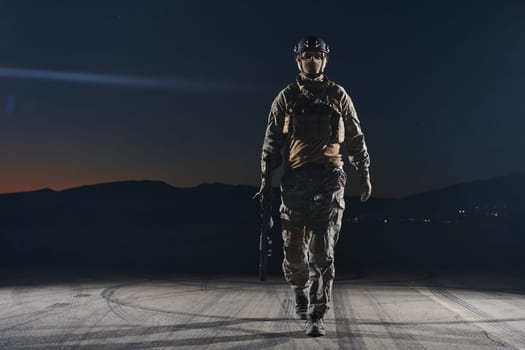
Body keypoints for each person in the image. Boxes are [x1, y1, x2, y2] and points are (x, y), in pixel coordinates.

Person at [253, 35, 372, 337]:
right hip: (294, 179)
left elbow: (355, 136)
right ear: (298, 60)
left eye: (317, 55)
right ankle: (299, 292)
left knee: (322, 249)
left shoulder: (338, 95)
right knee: (293, 248)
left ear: (325, 60)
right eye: (306, 55)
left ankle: (318, 313)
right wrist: (266, 178)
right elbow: (271, 141)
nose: (312, 60)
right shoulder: (287, 97)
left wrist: (365, 172)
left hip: (329, 178)